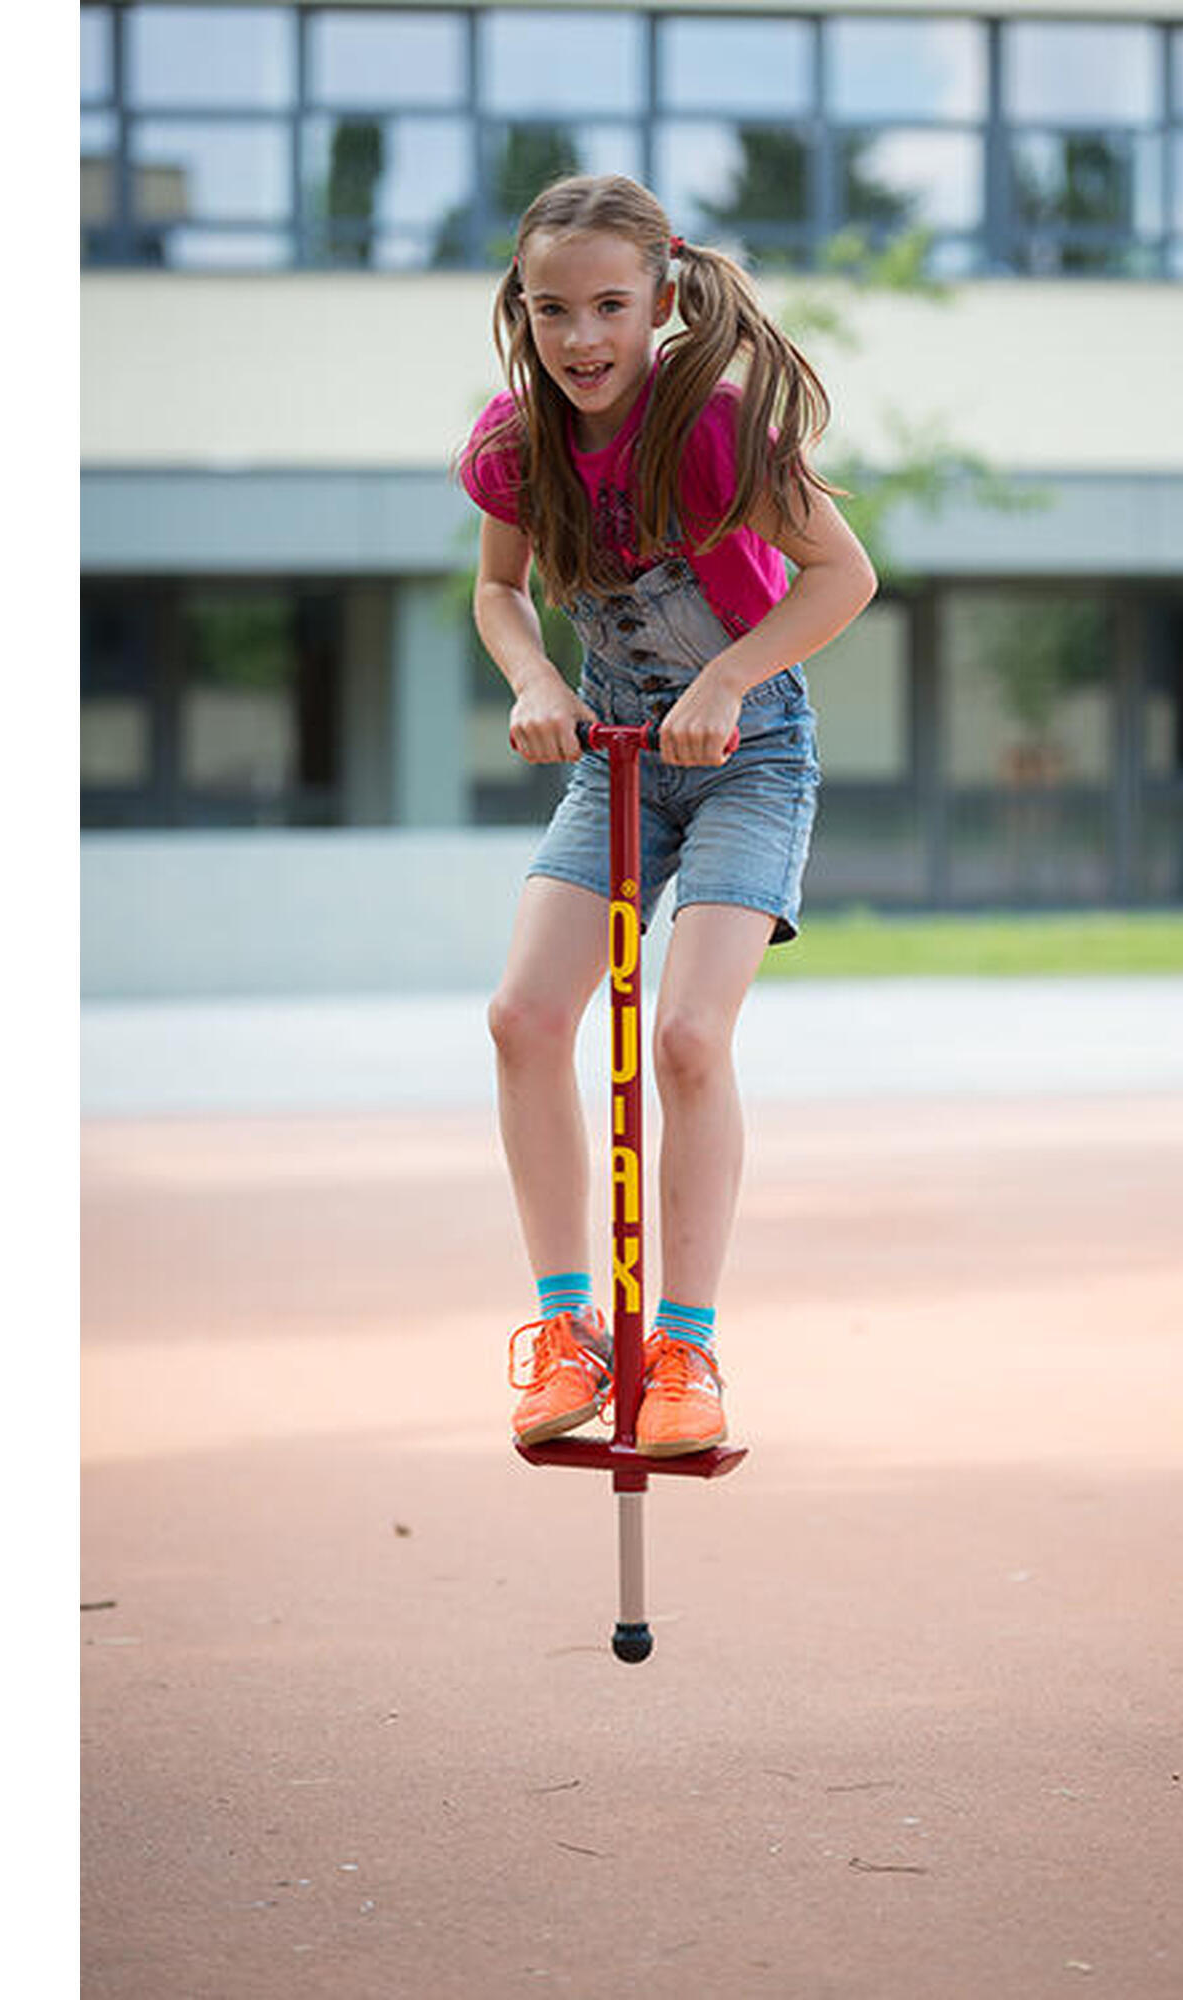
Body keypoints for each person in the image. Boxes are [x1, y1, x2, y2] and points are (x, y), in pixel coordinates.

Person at [458, 174, 876, 1458]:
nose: (580, 338)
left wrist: (727, 676)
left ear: (660, 300)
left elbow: (840, 575)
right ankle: (568, 1329)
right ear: (519, 314)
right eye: (551, 311)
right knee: (524, 1016)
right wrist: (531, 675)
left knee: (688, 1035)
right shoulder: (515, 444)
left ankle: (682, 1343)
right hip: (612, 757)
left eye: (608, 306)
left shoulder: (711, 429)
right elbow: (498, 594)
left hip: (748, 753)